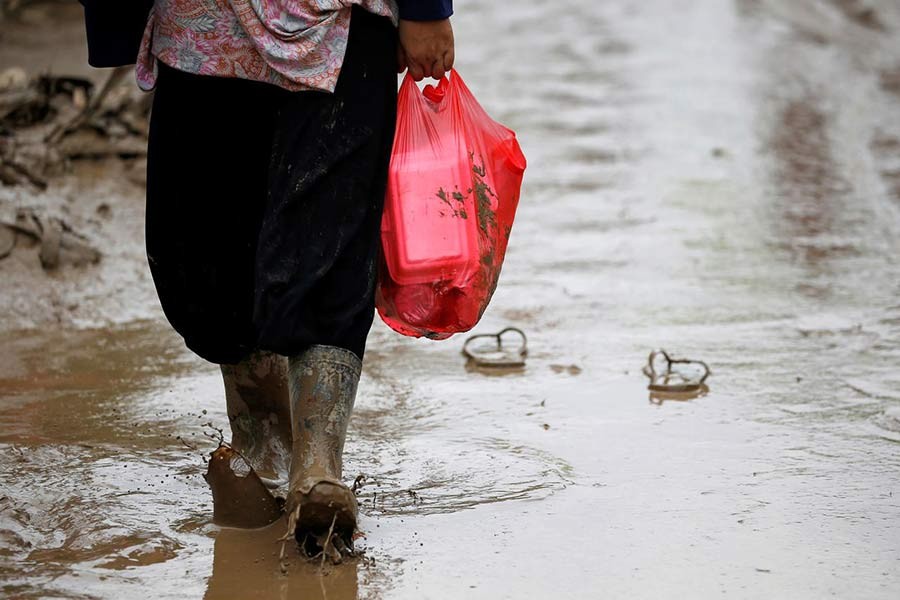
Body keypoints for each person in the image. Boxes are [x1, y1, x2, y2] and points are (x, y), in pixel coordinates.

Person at [80, 0, 455, 553]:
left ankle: (318, 467)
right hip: (198, 30)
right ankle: (264, 449)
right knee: (204, 266)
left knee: (329, 248)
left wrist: (425, 6)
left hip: (339, 23)